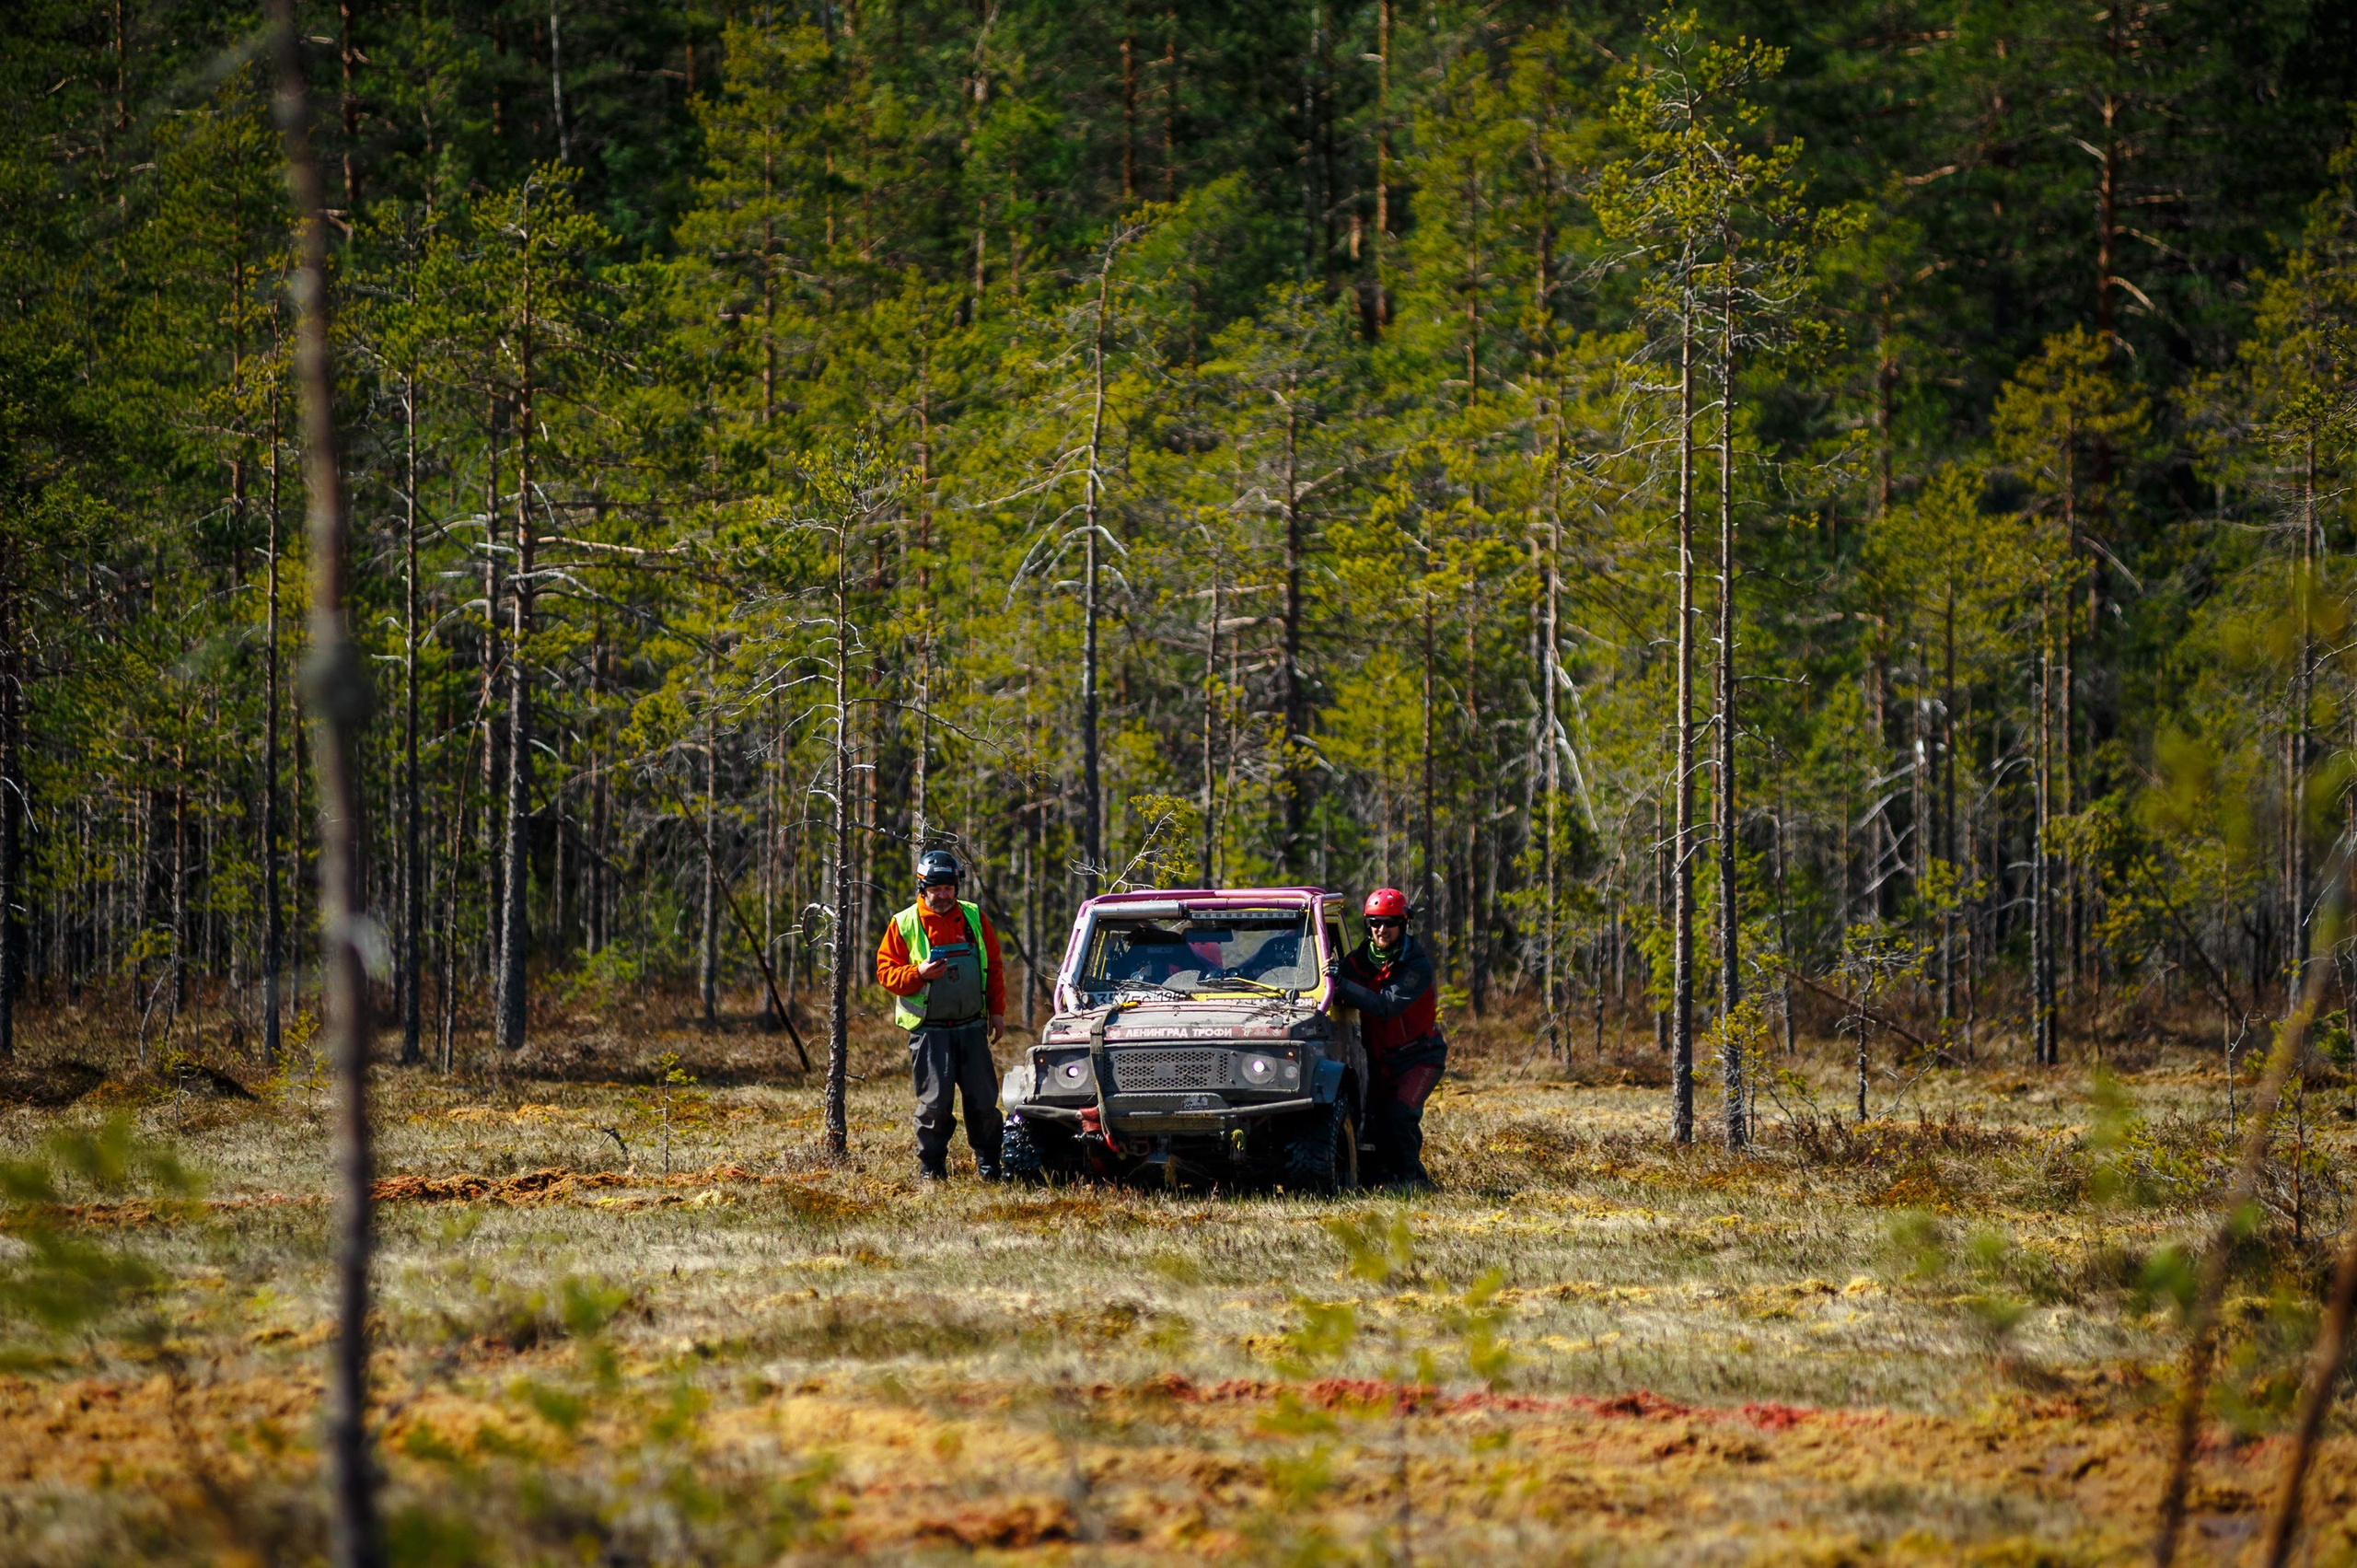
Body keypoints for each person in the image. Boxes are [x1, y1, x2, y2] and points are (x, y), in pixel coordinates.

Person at [876, 849, 1007, 1181]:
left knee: (983, 1102)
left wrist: (998, 1012)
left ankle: (989, 1165)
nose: (944, 894)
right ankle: (932, 1169)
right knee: (934, 1106)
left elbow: (993, 966)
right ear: (923, 887)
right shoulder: (903, 923)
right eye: (937, 888)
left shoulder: (974, 917)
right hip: (929, 1032)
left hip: (972, 1026)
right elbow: (885, 973)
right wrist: (918, 973)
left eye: (949, 887)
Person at [1325, 888, 1446, 1190]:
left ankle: (1413, 1181)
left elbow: (1386, 1005)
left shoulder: (1415, 966)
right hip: (1381, 1060)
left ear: (1403, 924)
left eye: (1390, 922)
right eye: (1375, 922)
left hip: (1420, 1057)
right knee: (1375, 1122)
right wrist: (1331, 977)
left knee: (1401, 1113)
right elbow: (1337, 985)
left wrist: (1343, 984)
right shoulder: (1359, 961)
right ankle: (1380, 1179)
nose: (1382, 929)